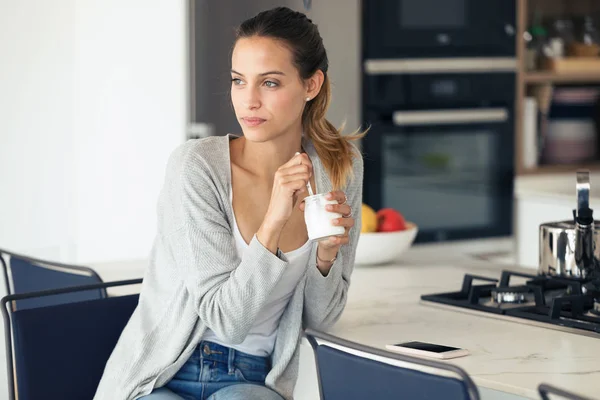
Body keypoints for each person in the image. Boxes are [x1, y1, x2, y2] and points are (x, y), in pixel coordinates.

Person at [94, 6, 365, 400]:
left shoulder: (339, 168)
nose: (249, 100)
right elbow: (227, 320)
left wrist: (324, 259)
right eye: (239, 81)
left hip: (252, 379)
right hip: (164, 373)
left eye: (269, 83)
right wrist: (273, 222)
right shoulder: (197, 167)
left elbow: (321, 320)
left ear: (311, 84)